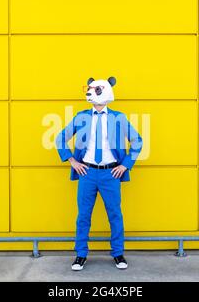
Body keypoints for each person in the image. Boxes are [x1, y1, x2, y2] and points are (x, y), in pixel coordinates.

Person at [55, 77, 143, 271]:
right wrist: (72, 161)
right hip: (87, 173)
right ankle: (80, 254)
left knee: (115, 214)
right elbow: (60, 137)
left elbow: (137, 141)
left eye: (95, 89)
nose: (90, 92)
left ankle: (118, 253)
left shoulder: (118, 117)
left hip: (111, 174)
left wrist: (125, 165)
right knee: (83, 215)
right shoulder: (81, 117)